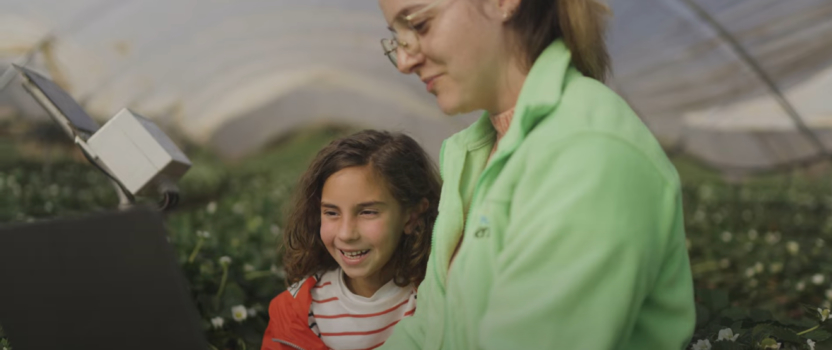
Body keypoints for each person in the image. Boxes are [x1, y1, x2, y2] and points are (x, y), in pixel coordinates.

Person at [376, 0, 696, 349]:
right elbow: (430, 327)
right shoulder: (471, 153)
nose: (405, 62)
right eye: (399, 39)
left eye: (420, 25)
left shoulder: (586, 151)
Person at [261, 130, 441, 350]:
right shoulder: (293, 312)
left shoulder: (436, 300)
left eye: (367, 212)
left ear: (411, 217)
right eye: (331, 213)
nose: (346, 234)